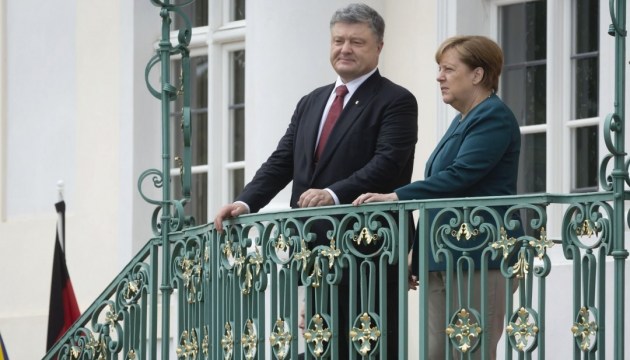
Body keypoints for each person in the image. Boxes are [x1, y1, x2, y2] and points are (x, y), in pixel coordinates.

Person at [214, 3, 418, 357]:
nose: (345, 49)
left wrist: (332, 193)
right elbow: (282, 161)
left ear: (379, 47)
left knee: (369, 349)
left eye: (357, 41)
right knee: (319, 349)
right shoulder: (312, 101)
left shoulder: (396, 100)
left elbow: (387, 164)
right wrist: (245, 202)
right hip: (311, 250)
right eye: (338, 40)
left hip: (369, 246)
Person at [353, 35, 521, 360]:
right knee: (435, 353)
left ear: (477, 74)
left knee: (469, 352)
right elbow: (440, 186)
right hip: (445, 254)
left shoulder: (492, 116)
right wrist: (420, 250)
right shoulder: (463, 119)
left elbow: (460, 177)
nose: (439, 77)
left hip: (479, 256)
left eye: (448, 69)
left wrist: (396, 196)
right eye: (438, 69)